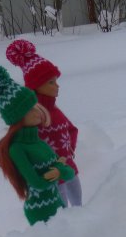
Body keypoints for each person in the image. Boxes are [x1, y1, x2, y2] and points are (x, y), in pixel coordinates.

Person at [0, 65, 75, 226]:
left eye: (35, 107)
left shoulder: (38, 141)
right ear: (17, 116)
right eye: (30, 110)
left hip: (57, 203)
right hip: (40, 209)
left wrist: (59, 171)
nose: (37, 112)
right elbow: (37, 183)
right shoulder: (17, 149)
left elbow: (69, 172)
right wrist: (58, 171)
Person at [6, 39, 82, 206]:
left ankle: (81, 216)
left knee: (76, 194)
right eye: (51, 82)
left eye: (56, 81)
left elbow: (72, 130)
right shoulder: (33, 115)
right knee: (60, 203)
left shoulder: (56, 112)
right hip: (50, 172)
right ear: (35, 86)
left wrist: (69, 149)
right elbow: (28, 142)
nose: (57, 86)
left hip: (67, 166)